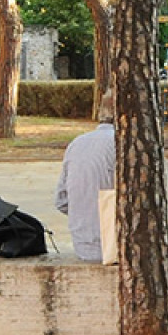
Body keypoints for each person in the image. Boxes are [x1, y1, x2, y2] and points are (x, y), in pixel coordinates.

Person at [55, 105, 116, 263]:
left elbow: (61, 202)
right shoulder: (125, 144)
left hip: (82, 247)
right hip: (115, 248)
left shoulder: (77, 143)